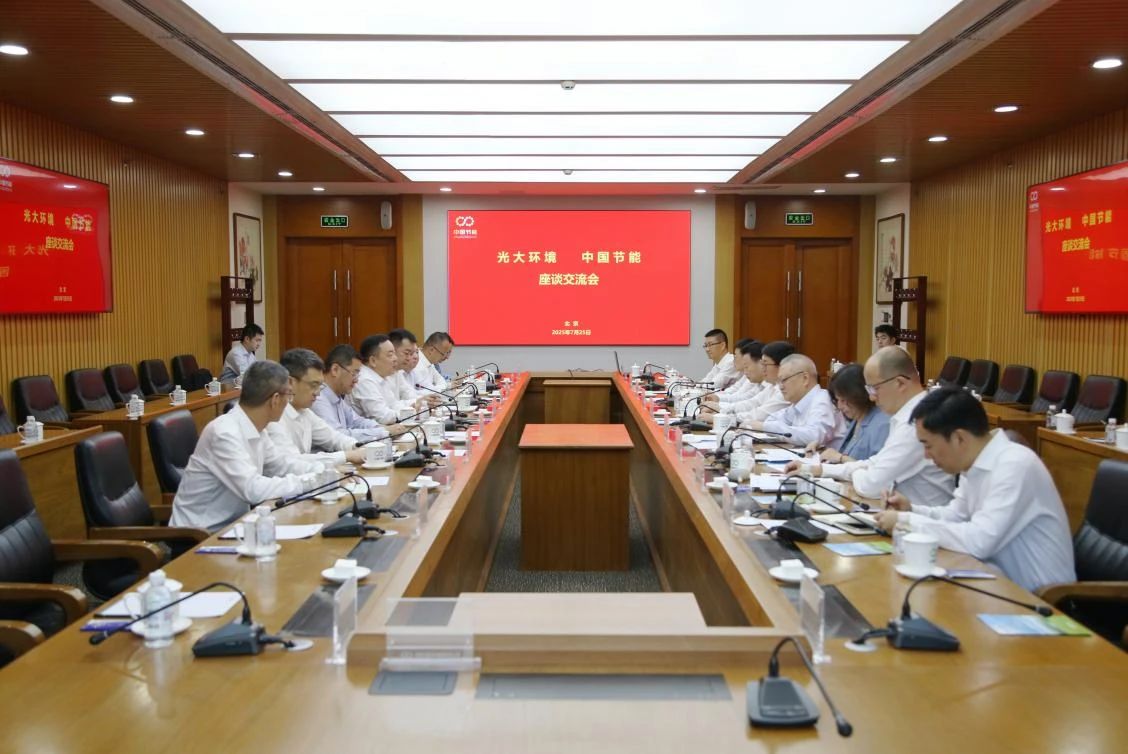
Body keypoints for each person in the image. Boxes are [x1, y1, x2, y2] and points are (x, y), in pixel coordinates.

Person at [874, 388, 1075, 593]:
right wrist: (911, 510)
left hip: (1040, 598)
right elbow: (956, 516)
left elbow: (978, 542)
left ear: (959, 438)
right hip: (992, 583)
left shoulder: (1015, 465)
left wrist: (906, 521)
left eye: (928, 445)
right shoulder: (974, 463)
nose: (926, 455)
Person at [786, 346, 954, 505]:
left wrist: (856, 472)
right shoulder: (906, 415)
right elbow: (874, 463)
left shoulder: (916, 423)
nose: (872, 397)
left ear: (900, 383)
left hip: (918, 520)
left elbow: (871, 485)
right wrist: (819, 470)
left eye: (875, 389)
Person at [169, 361, 322, 531]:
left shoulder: (258, 428)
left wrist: (321, 470)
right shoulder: (224, 433)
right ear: (275, 400)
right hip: (199, 535)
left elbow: (280, 464)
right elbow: (252, 489)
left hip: (236, 526)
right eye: (289, 395)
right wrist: (308, 482)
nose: (289, 401)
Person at [267, 348, 367, 466]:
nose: (318, 393)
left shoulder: (304, 411)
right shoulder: (274, 416)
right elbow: (292, 461)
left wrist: (357, 447)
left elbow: (334, 437)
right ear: (290, 383)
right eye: (313, 385)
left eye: (320, 386)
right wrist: (347, 456)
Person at [742, 354, 836, 447]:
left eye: (784, 380)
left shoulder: (822, 400)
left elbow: (814, 436)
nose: (780, 387)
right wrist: (764, 426)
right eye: (779, 381)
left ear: (805, 378)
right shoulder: (798, 403)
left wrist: (763, 427)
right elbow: (772, 419)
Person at [311, 344, 396, 444]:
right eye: (354, 373)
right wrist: (383, 432)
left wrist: (382, 428)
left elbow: (356, 421)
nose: (356, 380)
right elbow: (338, 435)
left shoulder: (336, 396)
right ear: (335, 370)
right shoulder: (318, 398)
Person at [818, 363, 890, 462]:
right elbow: (844, 453)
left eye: (843, 400)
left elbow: (877, 468)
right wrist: (822, 450)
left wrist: (840, 458)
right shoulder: (856, 419)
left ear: (858, 395)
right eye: (837, 400)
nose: (839, 406)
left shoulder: (882, 424)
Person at [349, 334, 407, 425]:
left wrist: (414, 406)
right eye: (390, 355)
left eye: (395, 354)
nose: (395, 358)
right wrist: (409, 413)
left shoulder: (381, 376)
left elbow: (394, 404)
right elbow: (382, 417)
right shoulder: (364, 380)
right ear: (373, 361)